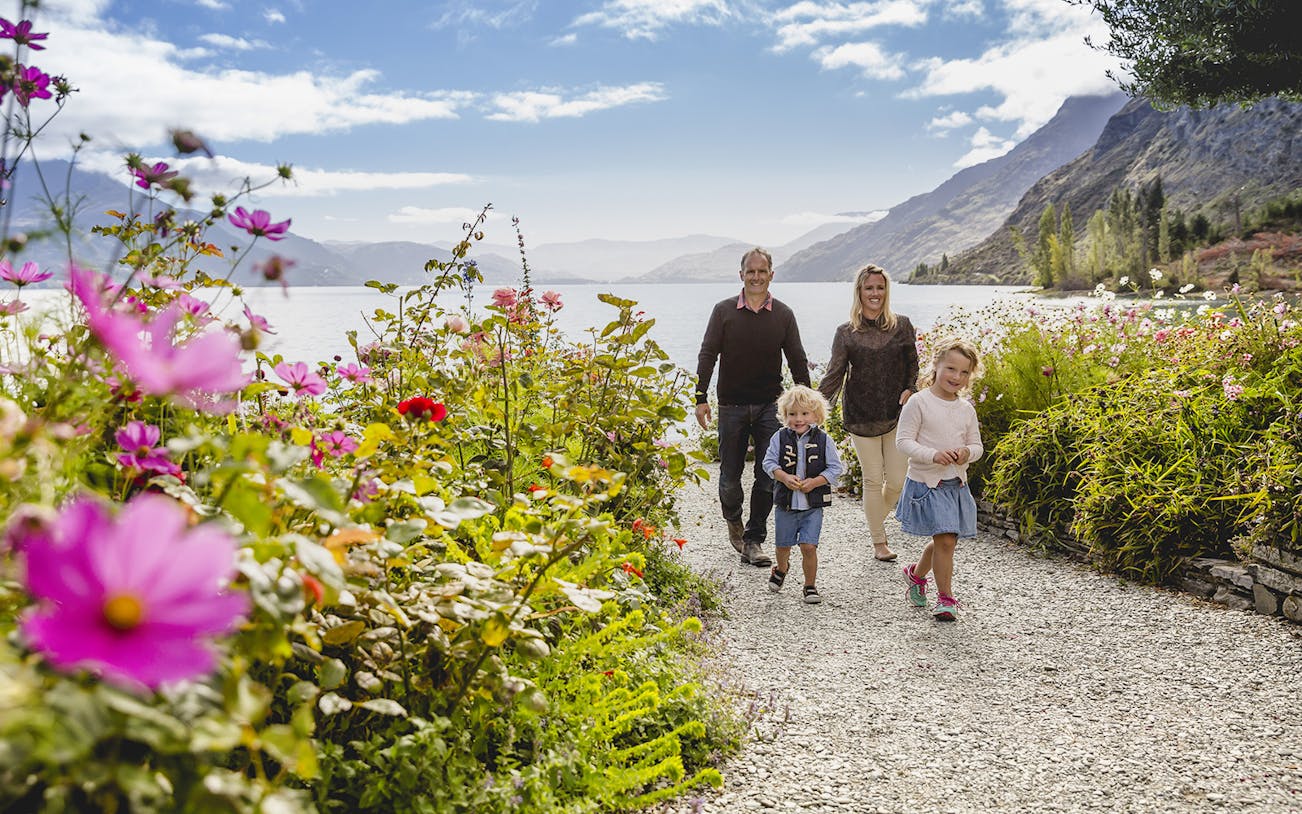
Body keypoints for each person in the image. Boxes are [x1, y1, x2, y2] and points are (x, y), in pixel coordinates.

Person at [696, 247, 811, 568]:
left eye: (763, 271)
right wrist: (700, 397)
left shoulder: (784, 315)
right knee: (730, 476)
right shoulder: (723, 312)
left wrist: (808, 405)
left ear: (771, 275)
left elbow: (798, 360)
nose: (757, 277)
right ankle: (734, 523)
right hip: (731, 405)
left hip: (769, 408)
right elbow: (707, 355)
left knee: (768, 474)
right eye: (751, 271)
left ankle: (753, 538)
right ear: (742, 275)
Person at [817, 264, 918, 563]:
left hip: (897, 413)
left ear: (886, 291)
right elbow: (834, 374)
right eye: (869, 288)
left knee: (898, 481)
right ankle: (879, 541)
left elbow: (913, 363)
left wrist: (910, 388)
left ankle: (874, 517)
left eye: (880, 287)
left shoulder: (902, 325)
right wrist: (814, 406)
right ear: (859, 292)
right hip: (860, 415)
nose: (875, 293)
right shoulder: (846, 333)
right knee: (873, 480)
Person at [895, 337, 983, 622]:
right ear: (936, 365)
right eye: (951, 369)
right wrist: (932, 455)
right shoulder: (919, 403)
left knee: (947, 539)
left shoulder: (966, 409)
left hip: (955, 484)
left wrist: (966, 452)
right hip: (927, 484)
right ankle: (946, 599)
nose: (956, 377)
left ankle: (916, 574)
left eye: (964, 372)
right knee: (945, 539)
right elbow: (903, 442)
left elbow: (977, 447)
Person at [762, 385, 843, 604]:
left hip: (812, 505)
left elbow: (836, 468)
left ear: (816, 415)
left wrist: (816, 482)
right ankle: (781, 568)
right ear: (784, 416)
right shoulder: (780, 438)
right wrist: (784, 477)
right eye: (792, 414)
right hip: (786, 504)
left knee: (808, 546)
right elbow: (768, 462)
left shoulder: (824, 440)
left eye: (805, 413)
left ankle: (809, 585)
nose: (799, 419)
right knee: (783, 545)